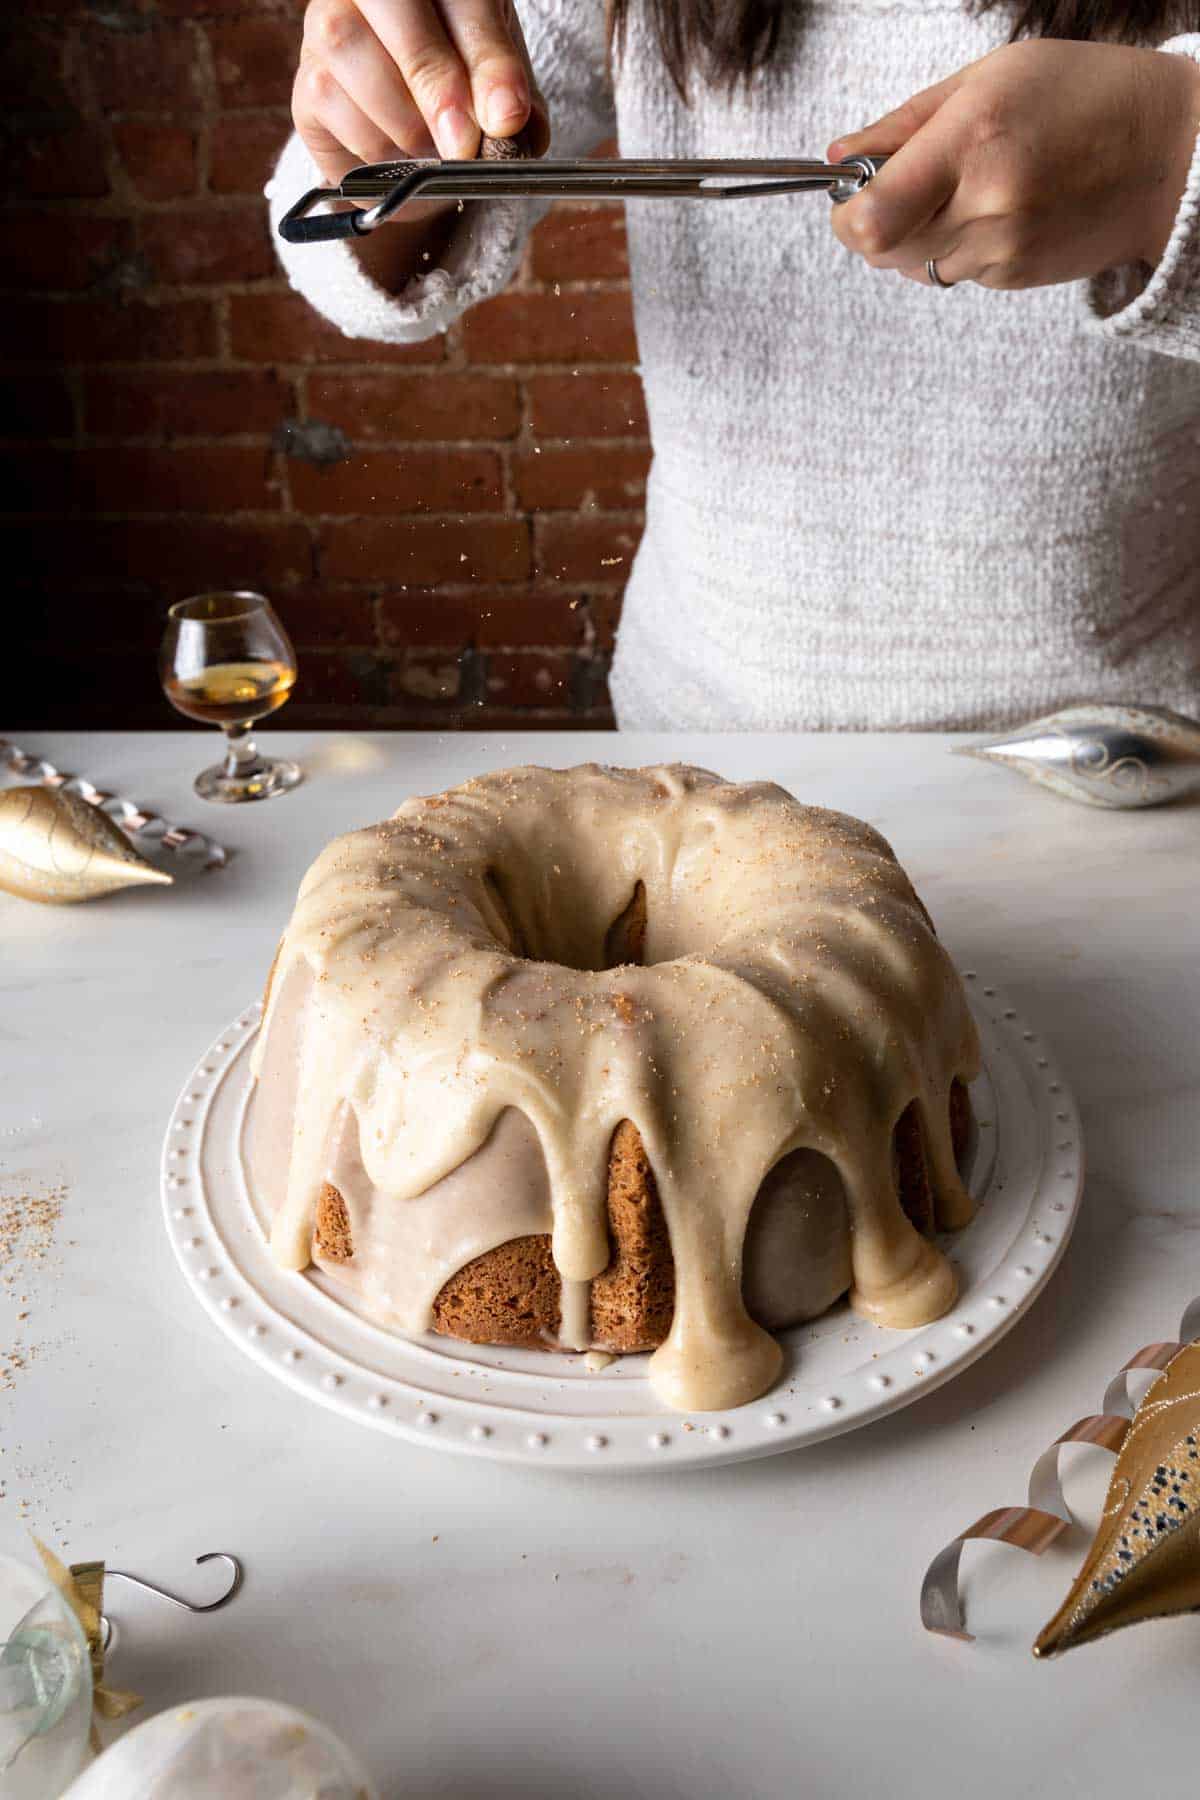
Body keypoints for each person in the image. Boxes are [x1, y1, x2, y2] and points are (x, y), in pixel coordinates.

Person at [267, 0, 1200, 730]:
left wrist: (1174, 146)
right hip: (708, 746)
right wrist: (384, 121)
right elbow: (325, 228)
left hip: (1125, 766)